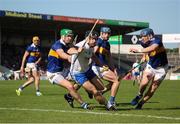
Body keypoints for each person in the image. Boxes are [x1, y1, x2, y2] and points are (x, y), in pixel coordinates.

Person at [65, 31, 115, 110]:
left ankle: (70, 96)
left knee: (102, 88)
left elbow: (93, 56)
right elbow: (69, 50)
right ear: (87, 38)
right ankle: (108, 105)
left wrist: (102, 65)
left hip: (88, 70)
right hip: (78, 73)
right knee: (94, 91)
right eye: (93, 39)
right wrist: (77, 51)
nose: (95, 41)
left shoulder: (92, 46)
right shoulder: (81, 45)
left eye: (96, 39)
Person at [46, 28, 91, 110]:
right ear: (62, 36)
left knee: (81, 78)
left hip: (64, 70)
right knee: (70, 86)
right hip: (53, 73)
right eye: (68, 36)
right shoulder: (57, 45)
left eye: (71, 36)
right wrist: (69, 57)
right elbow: (62, 54)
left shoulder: (68, 44)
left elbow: (73, 48)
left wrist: (84, 43)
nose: (70, 38)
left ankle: (69, 96)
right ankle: (84, 104)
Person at [129, 28, 169, 109]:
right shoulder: (143, 42)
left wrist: (138, 51)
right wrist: (144, 56)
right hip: (151, 65)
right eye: (141, 36)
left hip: (162, 68)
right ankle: (139, 95)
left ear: (150, 36)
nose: (142, 38)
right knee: (143, 83)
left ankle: (141, 104)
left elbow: (152, 48)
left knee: (153, 88)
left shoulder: (157, 41)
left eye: (144, 36)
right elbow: (147, 49)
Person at [92, 27, 121, 108]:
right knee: (116, 81)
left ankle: (100, 93)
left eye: (109, 33)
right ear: (101, 33)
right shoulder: (99, 41)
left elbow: (109, 58)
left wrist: (114, 69)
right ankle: (111, 101)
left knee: (113, 82)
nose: (107, 35)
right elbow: (93, 52)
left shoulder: (107, 44)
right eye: (105, 33)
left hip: (102, 68)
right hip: (98, 67)